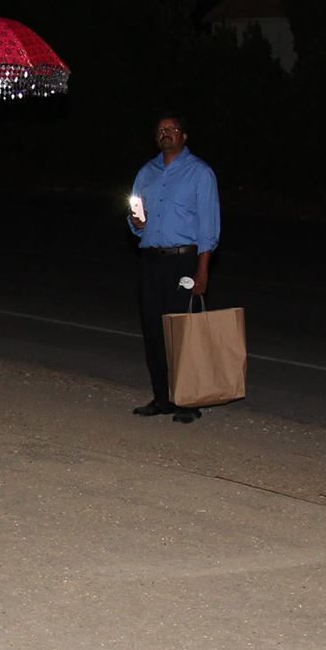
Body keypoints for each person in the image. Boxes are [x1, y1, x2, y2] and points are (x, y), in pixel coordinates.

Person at [127, 114, 220, 424]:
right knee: (153, 330)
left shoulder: (200, 173)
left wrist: (202, 271)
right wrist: (136, 223)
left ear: (184, 136)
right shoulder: (146, 172)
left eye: (172, 129)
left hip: (184, 260)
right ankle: (162, 397)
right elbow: (136, 217)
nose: (166, 134)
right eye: (160, 131)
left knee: (183, 332)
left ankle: (188, 401)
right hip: (151, 259)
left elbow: (209, 228)